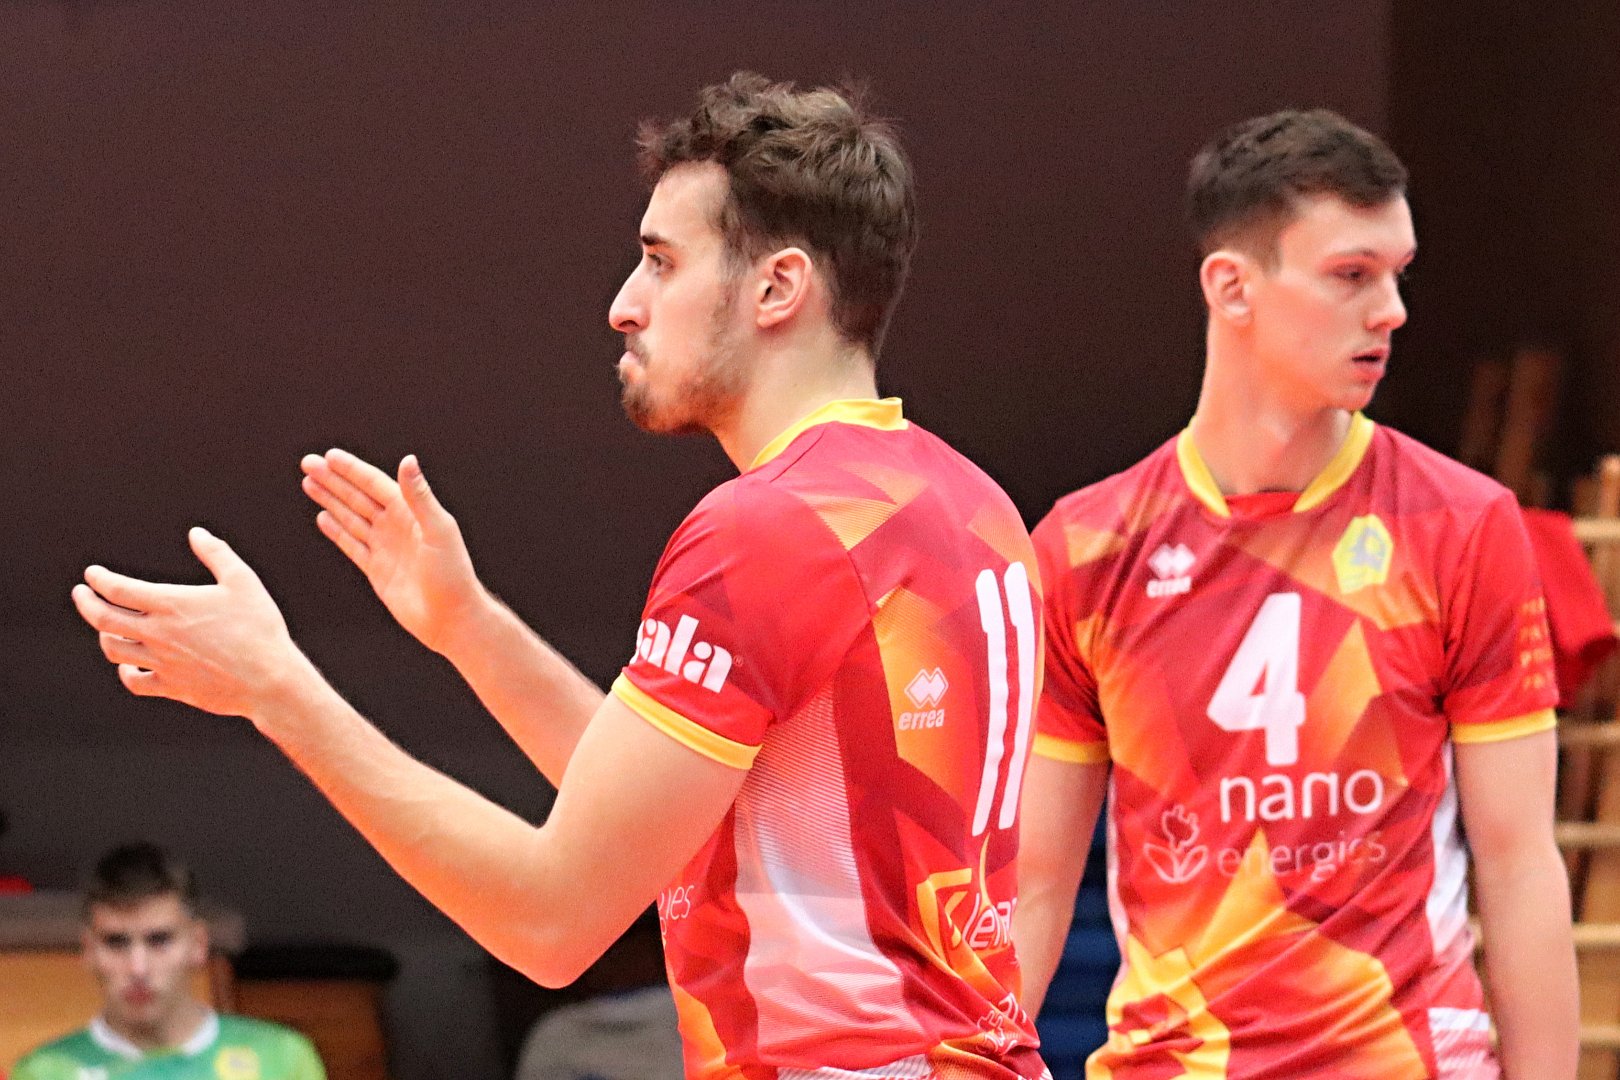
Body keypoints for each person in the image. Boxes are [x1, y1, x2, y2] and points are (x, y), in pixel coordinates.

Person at [72, 74, 1049, 1080]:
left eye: (661, 262)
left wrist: (278, 692)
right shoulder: (976, 509)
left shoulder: (770, 527)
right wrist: (468, 625)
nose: (624, 306)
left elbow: (552, 920)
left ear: (777, 288)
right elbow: (663, 814)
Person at [1013, 109, 1578, 1077]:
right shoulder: (1084, 547)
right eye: (1352, 275)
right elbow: (1033, 888)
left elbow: (1521, 863)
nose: (1392, 310)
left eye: (1398, 273)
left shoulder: (1463, 525)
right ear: (1231, 287)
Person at [10, 843, 324, 1080]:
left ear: (198, 944)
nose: (138, 968)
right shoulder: (45, 1072)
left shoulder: (281, 1059)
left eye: (159, 940)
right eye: (116, 942)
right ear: (88, 950)